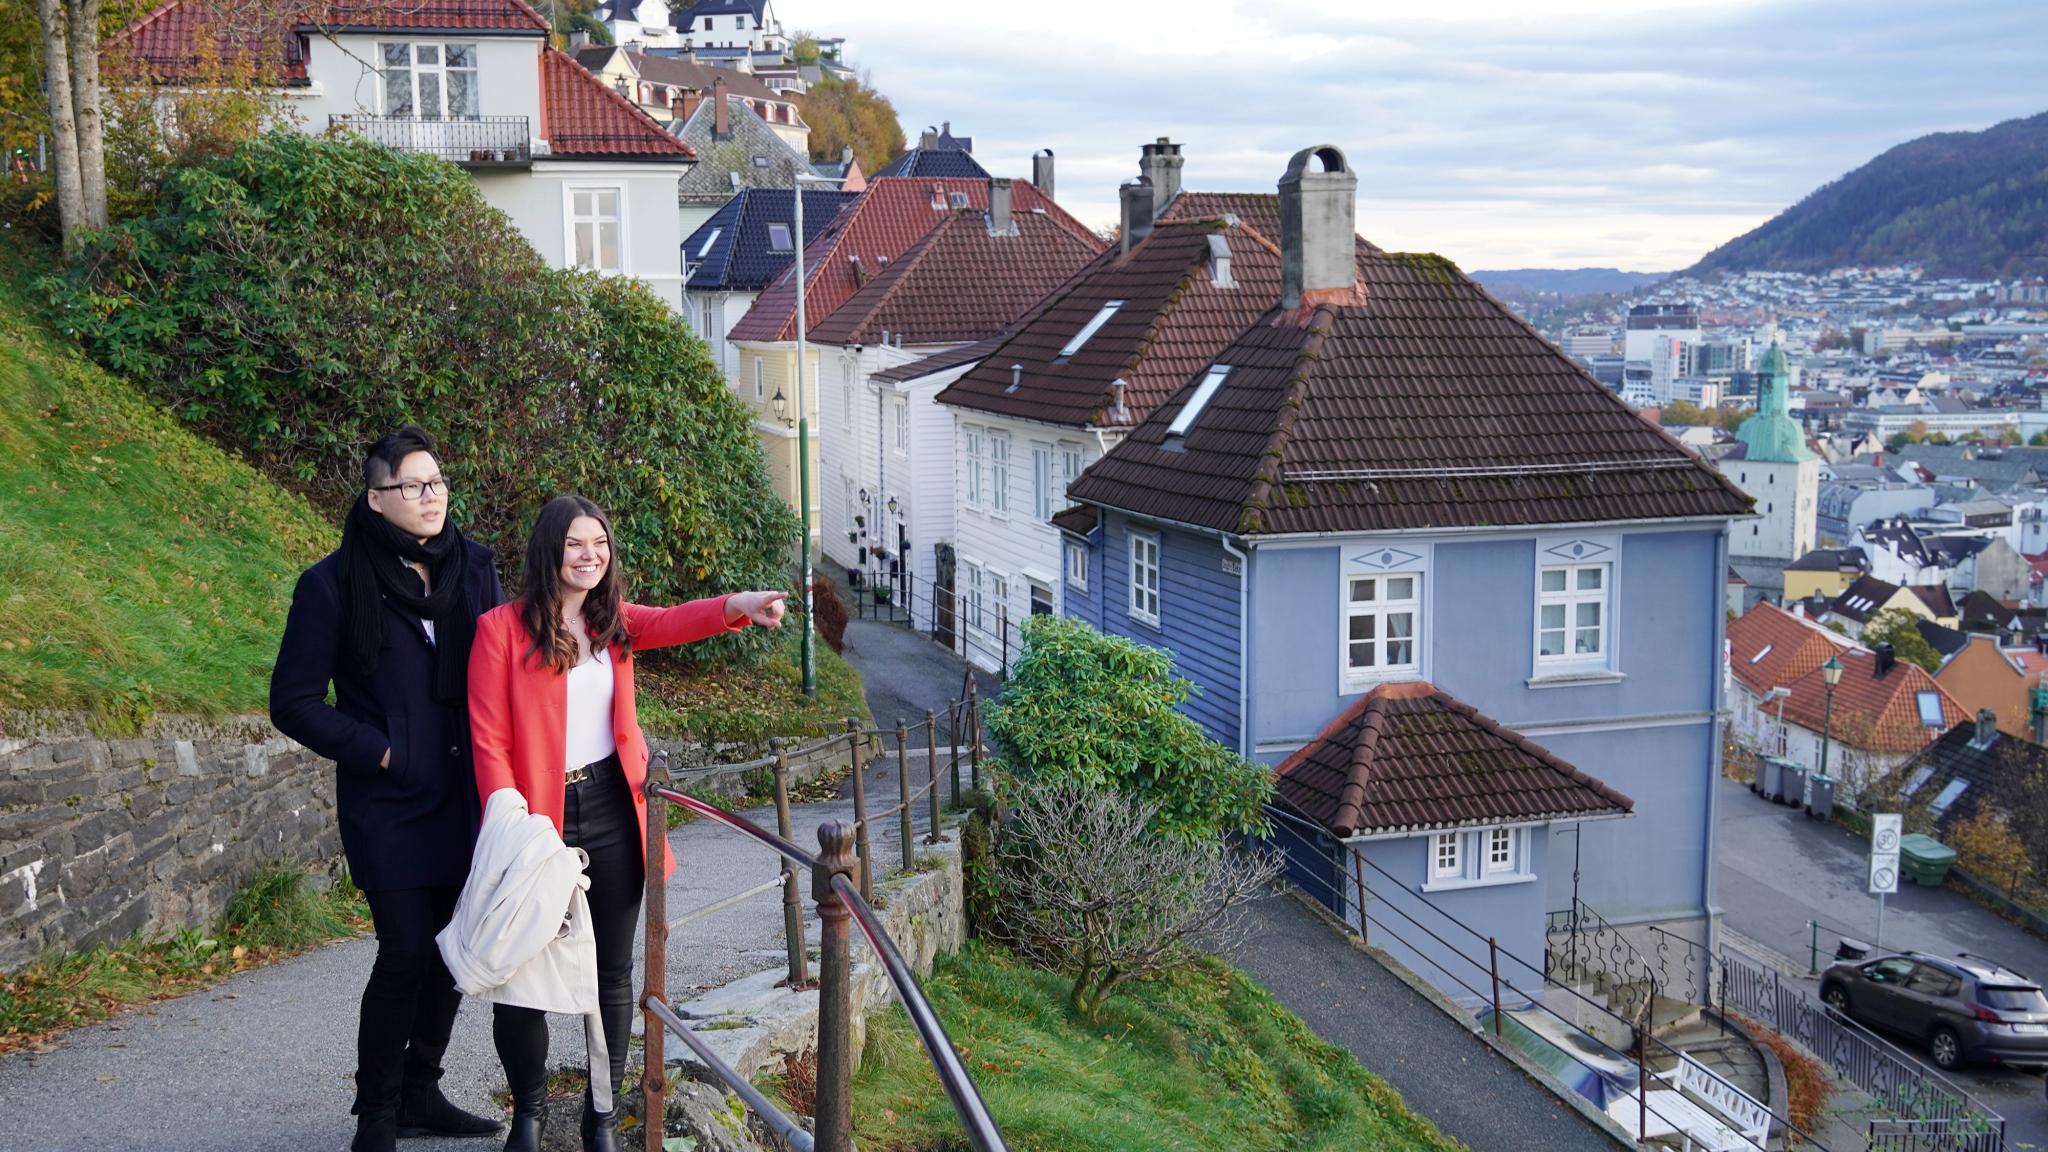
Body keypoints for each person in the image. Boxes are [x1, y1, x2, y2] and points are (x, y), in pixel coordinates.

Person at [468, 495, 787, 1152]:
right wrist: (511, 824)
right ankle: (527, 1117)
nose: (590, 556)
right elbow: (489, 740)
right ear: (549, 550)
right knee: (521, 972)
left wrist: (741, 604)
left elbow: (675, 620)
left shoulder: (612, 624)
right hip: (536, 820)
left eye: (601, 545)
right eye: (576, 545)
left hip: (615, 811)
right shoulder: (499, 629)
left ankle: (602, 1117)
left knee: (613, 972)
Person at [270, 427, 507, 1152]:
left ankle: (420, 1090)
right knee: (404, 951)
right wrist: (378, 751)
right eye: (411, 486)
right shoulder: (330, 585)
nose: (429, 496)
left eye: (436, 482)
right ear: (376, 499)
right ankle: (375, 1115)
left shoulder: (475, 568)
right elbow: (295, 700)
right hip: (389, 804)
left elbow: (505, 670)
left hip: (468, 797)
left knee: (451, 952)